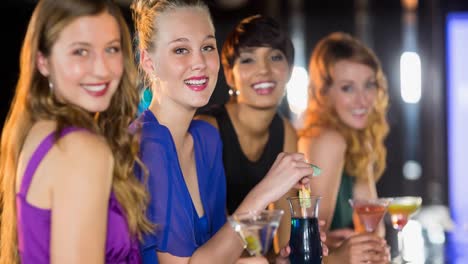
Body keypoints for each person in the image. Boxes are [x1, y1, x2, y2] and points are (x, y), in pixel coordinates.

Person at [130, 1, 317, 263]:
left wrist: (275, 261)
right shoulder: (147, 144)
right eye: (181, 50)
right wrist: (264, 192)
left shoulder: (206, 139)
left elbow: (220, 255)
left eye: (207, 47)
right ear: (149, 62)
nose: (199, 63)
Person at [0, 0, 152, 263]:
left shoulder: (39, 129)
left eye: (112, 49)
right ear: (43, 62)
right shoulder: (81, 149)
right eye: (81, 52)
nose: (102, 69)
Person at [196, 14, 298, 254]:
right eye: (249, 60)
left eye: (275, 57)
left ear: (290, 71)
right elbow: (208, 235)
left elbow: (285, 239)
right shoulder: (207, 131)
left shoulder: (286, 132)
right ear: (230, 75)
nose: (264, 70)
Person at [298, 32, 390, 263]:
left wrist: (346, 243)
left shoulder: (357, 139)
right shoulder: (328, 140)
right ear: (323, 94)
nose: (363, 100)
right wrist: (338, 246)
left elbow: (373, 229)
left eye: (369, 85)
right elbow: (308, 243)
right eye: (347, 88)